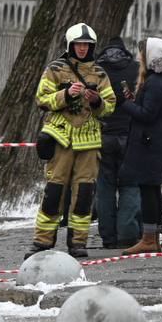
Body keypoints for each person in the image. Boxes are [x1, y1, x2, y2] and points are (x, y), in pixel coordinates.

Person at [28, 23, 116, 258]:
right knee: (54, 192)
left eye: (86, 45)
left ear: (92, 47)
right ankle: (42, 241)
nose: (82, 48)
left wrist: (96, 101)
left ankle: (78, 243)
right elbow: (41, 99)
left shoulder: (100, 74)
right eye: (78, 44)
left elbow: (110, 108)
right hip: (61, 140)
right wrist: (66, 94)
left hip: (89, 143)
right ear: (70, 45)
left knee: (84, 195)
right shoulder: (55, 69)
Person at [120, 38, 162, 255]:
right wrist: (134, 101)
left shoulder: (155, 82)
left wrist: (124, 104)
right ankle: (152, 237)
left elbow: (147, 115)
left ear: (152, 57)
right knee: (152, 189)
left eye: (142, 53)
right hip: (155, 142)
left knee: (148, 190)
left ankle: (148, 239)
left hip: (150, 144)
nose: (139, 57)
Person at [95, 37, 141, 250]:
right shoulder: (136, 69)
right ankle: (128, 235)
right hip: (129, 135)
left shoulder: (96, 71)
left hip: (103, 135)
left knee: (105, 187)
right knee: (130, 185)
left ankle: (108, 237)